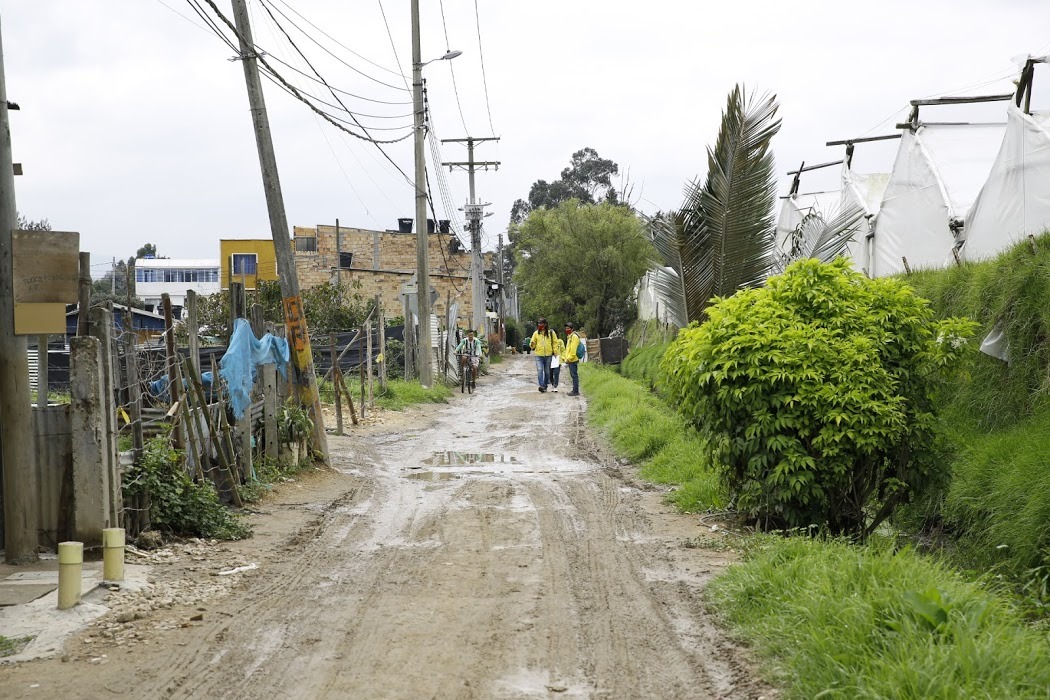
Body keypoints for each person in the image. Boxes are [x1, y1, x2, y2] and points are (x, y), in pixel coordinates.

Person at [529, 317, 556, 392]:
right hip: (539, 355)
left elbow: (555, 342)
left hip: (548, 355)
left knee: (547, 371)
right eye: (539, 323)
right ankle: (541, 385)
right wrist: (532, 344)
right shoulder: (536, 333)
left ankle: (545, 386)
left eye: (541, 323)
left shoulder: (551, 333)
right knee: (540, 370)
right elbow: (532, 344)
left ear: (545, 324)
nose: (540, 325)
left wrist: (555, 351)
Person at [563, 322, 582, 396]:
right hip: (570, 359)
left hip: (573, 359)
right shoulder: (569, 336)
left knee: (574, 375)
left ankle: (575, 391)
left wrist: (569, 359)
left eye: (568, 328)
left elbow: (573, 350)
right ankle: (574, 390)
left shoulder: (574, 337)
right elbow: (568, 349)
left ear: (572, 329)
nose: (567, 329)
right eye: (566, 328)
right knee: (573, 375)